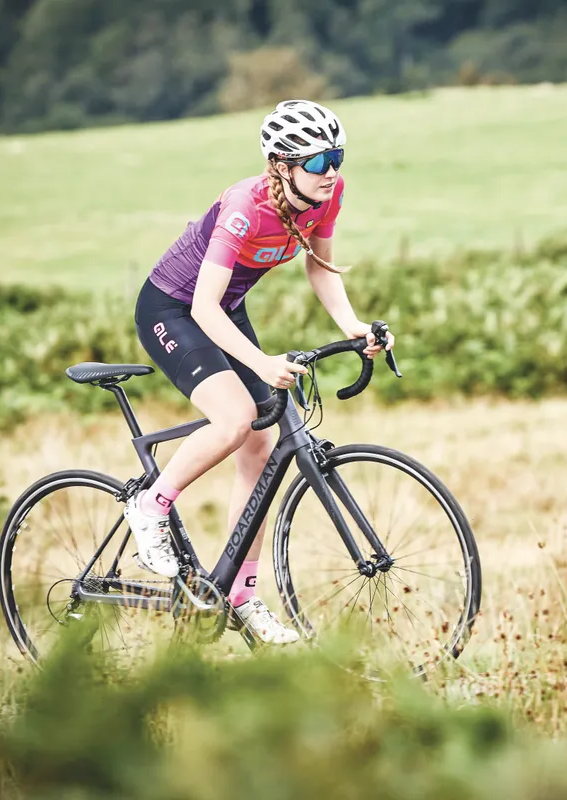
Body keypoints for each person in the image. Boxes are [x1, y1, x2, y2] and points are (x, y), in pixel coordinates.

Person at [129, 99, 394, 644]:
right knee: (234, 420)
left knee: (258, 443)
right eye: (320, 162)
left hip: (223, 309)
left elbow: (319, 265)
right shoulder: (246, 208)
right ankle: (150, 504)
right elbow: (202, 308)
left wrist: (352, 325)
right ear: (282, 164)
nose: (333, 172)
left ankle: (239, 593)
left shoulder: (327, 196)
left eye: (337, 157)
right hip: (174, 308)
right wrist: (261, 362)